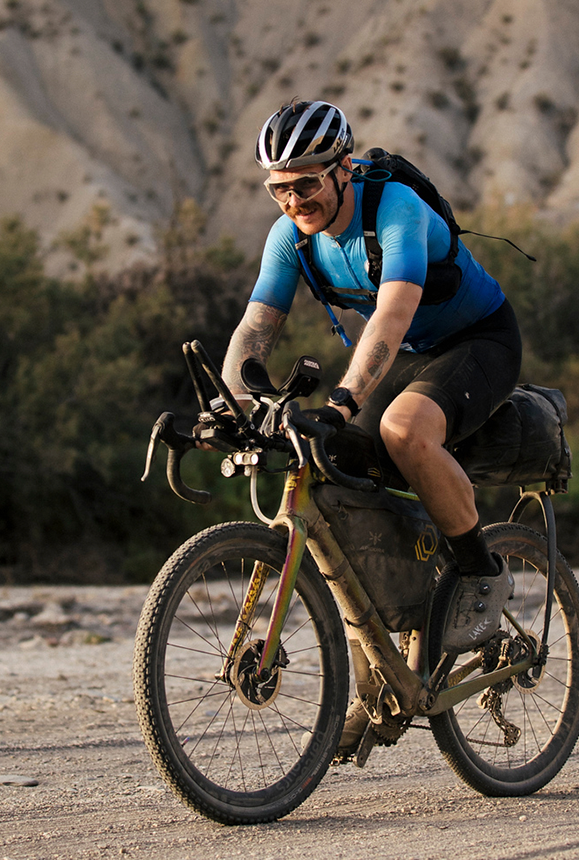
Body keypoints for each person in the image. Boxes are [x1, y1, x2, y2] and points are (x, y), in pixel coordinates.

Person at [221, 99, 521, 759]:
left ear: (343, 169)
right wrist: (230, 404)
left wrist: (345, 400)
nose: (294, 199)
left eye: (307, 183)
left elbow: (389, 319)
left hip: (479, 340)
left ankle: (479, 572)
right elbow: (256, 329)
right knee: (329, 465)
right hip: (414, 352)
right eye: (280, 188)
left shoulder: (397, 212)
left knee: (405, 431)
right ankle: (399, 625)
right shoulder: (291, 238)